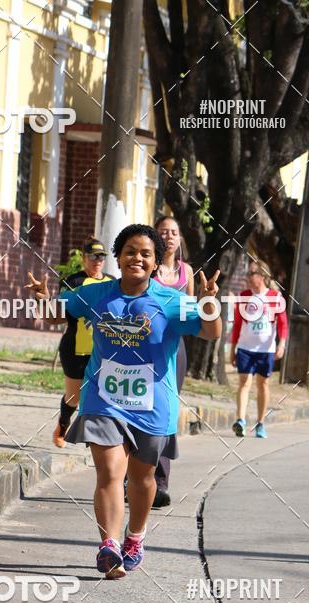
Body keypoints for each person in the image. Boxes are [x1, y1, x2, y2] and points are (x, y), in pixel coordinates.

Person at [25, 224, 220, 579]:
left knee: (143, 479)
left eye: (146, 253)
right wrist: (42, 299)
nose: (137, 258)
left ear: (156, 261)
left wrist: (209, 303)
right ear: (119, 256)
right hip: (104, 399)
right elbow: (56, 313)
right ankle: (109, 546)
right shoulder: (97, 294)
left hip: (152, 405)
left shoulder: (171, 301)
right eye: (130, 251)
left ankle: (135, 536)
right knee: (110, 472)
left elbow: (210, 332)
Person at [150, 216, 194, 507]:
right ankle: (133, 476)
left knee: (166, 410)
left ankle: (160, 482)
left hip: (174, 349)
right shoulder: (147, 265)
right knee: (136, 405)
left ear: (180, 240)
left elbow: (191, 313)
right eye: (163, 231)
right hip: (143, 346)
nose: (169, 236)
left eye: (174, 232)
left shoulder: (186, 272)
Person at [53, 237, 113, 448]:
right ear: (84, 258)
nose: (98, 260)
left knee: (100, 395)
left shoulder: (112, 282)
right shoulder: (72, 282)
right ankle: (63, 423)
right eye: (93, 256)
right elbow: (62, 312)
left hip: (104, 349)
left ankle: (95, 438)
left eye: (101, 257)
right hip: (76, 346)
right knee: (74, 397)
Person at [230, 262, 288, 439]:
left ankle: (260, 423)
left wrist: (282, 344)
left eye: (251, 274)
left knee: (263, 384)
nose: (247, 277)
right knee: (244, 383)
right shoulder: (243, 297)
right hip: (246, 348)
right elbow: (238, 324)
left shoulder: (275, 297)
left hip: (266, 350)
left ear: (262, 276)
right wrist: (233, 349)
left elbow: (283, 324)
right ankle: (240, 420)